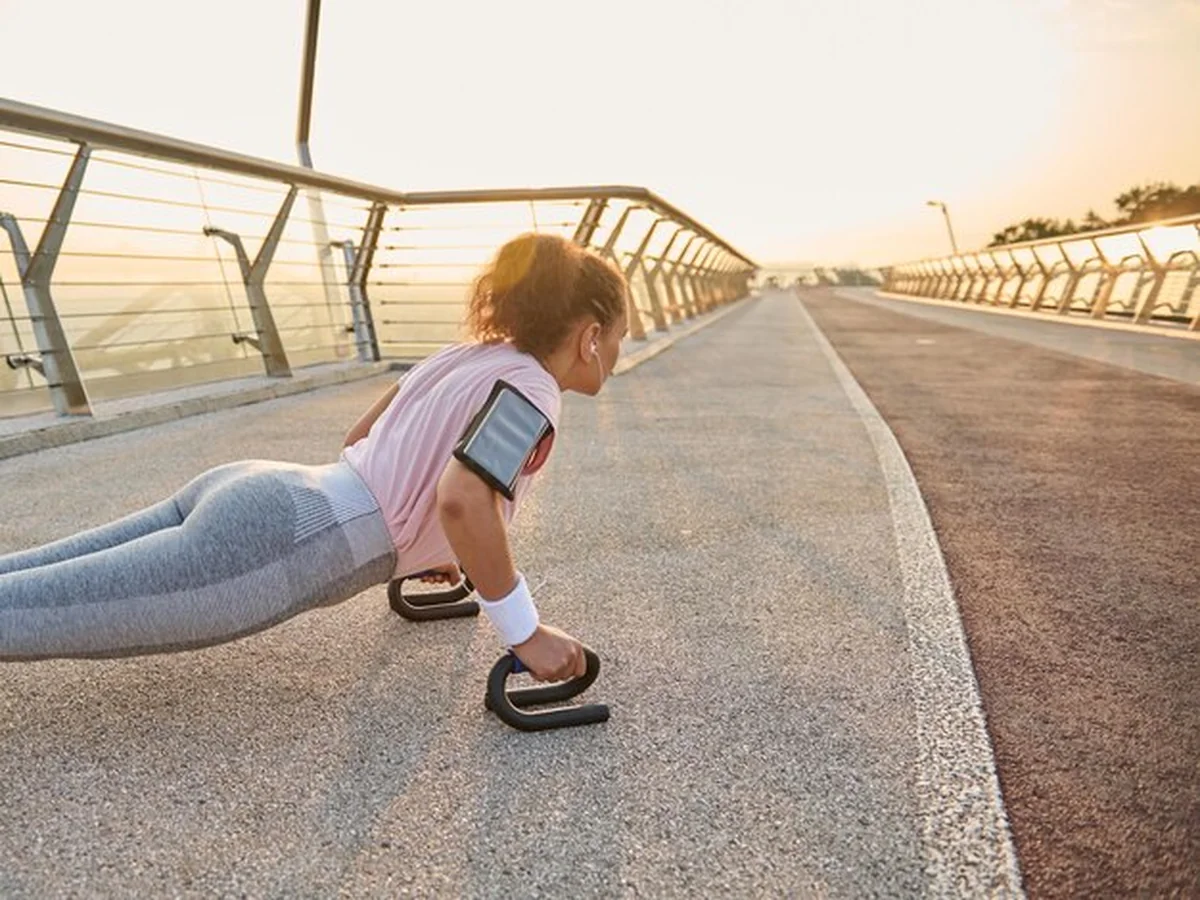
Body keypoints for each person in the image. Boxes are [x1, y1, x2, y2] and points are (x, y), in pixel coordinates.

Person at [0, 233, 630, 682]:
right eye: (620, 338)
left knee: (26, 582)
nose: (620, 352)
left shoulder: (467, 355)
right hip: (285, 538)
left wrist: (430, 547)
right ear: (590, 337)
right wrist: (523, 630)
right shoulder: (534, 390)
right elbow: (464, 498)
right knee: (31, 615)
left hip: (265, 486)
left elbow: (368, 435)